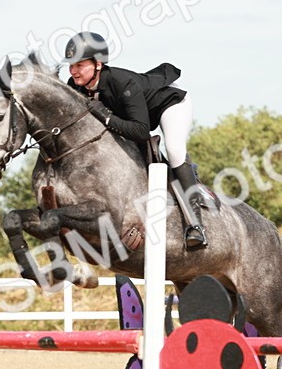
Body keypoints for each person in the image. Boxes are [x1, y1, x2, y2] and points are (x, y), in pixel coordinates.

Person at [62, 31, 207, 250]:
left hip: (168, 104)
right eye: (71, 65)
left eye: (80, 65)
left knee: (174, 149)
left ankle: (196, 224)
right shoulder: (75, 86)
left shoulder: (122, 83)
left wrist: (107, 117)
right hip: (135, 116)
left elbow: (141, 131)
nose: (73, 71)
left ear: (98, 64)